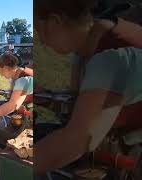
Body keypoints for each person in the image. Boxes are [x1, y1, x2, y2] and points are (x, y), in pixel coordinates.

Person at [35, 0, 142, 175]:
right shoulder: (88, 48)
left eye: (41, 34)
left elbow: (77, 142)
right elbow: (81, 100)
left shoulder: (107, 55)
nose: (44, 44)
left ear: (56, 21)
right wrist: (49, 98)